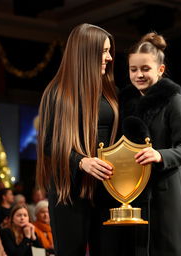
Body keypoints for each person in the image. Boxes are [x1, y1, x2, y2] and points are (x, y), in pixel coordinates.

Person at [36, 23, 119, 256]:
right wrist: (82, 161)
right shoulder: (57, 93)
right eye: (103, 51)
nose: (110, 57)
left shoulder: (111, 91)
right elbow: (49, 142)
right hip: (69, 191)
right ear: (86, 52)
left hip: (108, 189)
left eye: (109, 50)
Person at [119, 32, 181, 256]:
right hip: (133, 194)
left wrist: (159, 155)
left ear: (160, 70)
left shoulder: (173, 100)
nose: (139, 74)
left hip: (166, 195)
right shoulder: (125, 102)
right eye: (133, 69)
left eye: (145, 69)